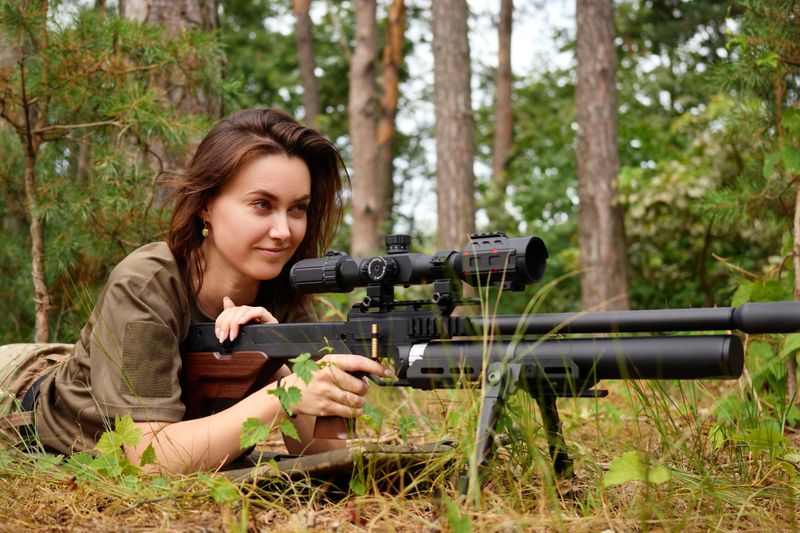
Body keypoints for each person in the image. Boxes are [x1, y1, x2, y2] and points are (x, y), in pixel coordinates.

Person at [0, 108, 392, 473]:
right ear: (206, 204)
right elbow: (149, 460)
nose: (284, 231)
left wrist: (281, 358)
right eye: (261, 205)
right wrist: (284, 394)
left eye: (298, 208)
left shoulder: (285, 287)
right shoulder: (147, 282)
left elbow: (324, 458)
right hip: (17, 398)